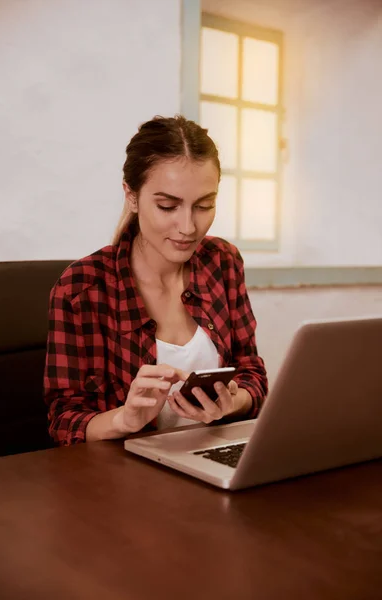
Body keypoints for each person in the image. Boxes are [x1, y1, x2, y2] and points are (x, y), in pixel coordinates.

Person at [44, 115, 268, 446]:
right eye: (167, 206)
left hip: (212, 463)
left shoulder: (224, 262)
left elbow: (253, 375)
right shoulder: (81, 289)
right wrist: (125, 419)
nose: (188, 227)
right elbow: (64, 422)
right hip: (126, 481)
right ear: (131, 196)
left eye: (205, 205)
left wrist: (231, 403)